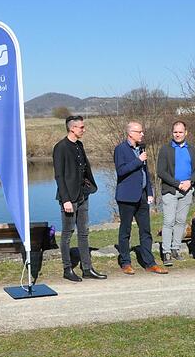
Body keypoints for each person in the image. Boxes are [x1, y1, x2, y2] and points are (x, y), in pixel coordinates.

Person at [53, 115, 106, 282]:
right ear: (72, 128)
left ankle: (87, 268)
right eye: (81, 127)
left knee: (84, 233)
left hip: (83, 195)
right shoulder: (60, 147)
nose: (84, 129)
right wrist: (66, 199)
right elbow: (59, 176)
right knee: (67, 233)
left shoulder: (79, 145)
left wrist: (89, 186)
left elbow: (84, 169)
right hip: (69, 198)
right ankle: (67, 269)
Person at [114, 121, 168, 275]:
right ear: (130, 133)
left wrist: (149, 192)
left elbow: (145, 173)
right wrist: (138, 160)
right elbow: (121, 171)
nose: (142, 134)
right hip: (126, 196)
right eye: (139, 132)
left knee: (146, 231)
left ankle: (149, 263)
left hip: (142, 196)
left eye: (142, 131)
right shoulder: (121, 149)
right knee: (126, 230)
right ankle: (125, 262)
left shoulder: (141, 149)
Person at [156, 120, 195, 266]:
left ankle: (176, 248)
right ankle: (166, 252)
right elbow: (161, 172)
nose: (178, 134)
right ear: (172, 133)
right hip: (170, 190)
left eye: (180, 132)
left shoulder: (191, 149)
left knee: (181, 221)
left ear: (186, 133)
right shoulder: (165, 149)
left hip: (187, 191)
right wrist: (177, 184)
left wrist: (190, 182)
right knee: (168, 222)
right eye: (175, 132)